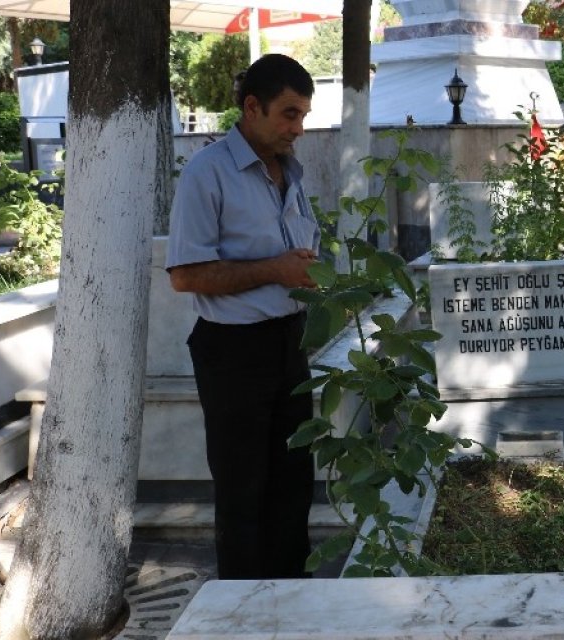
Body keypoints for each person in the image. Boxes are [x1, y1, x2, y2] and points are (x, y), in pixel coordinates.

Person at [166, 53, 320, 580]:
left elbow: (299, 254)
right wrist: (275, 269)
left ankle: (292, 602)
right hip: (233, 352)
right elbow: (185, 275)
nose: (298, 128)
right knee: (243, 491)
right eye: (289, 113)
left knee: (295, 482)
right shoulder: (207, 172)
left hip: (289, 342)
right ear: (251, 108)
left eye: (302, 115)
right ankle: (242, 612)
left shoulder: (290, 173)